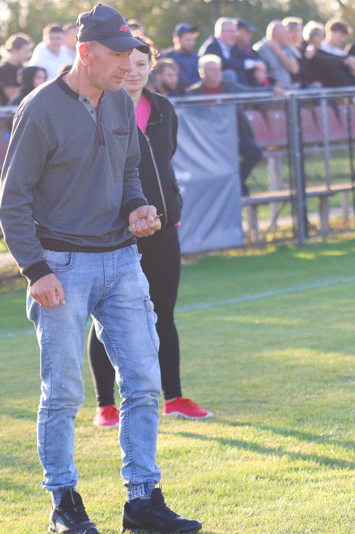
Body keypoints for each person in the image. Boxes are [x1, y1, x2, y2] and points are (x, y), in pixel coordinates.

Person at [0, 4, 201, 534]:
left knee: (143, 381)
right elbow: (11, 201)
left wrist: (136, 206)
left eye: (131, 54)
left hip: (122, 261)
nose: (127, 64)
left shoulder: (118, 102)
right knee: (63, 391)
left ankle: (143, 499)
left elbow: (130, 168)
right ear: (86, 54)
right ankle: (64, 500)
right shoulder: (40, 109)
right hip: (62, 267)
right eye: (117, 54)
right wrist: (35, 269)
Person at [89, 33, 210, 429]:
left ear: (150, 67)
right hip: (116, 234)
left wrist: (167, 205)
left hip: (163, 227)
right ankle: (106, 405)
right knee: (106, 318)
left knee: (163, 314)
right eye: (127, 63)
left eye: (142, 64)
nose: (134, 71)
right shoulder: (97, 109)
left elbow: (165, 159)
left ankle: (173, 397)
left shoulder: (162, 108)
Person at [186, 54, 263, 196]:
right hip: (208, 140)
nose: (217, 73)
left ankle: (237, 183)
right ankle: (226, 188)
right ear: (202, 73)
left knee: (254, 152)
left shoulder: (229, 87)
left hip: (233, 134)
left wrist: (272, 90)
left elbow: (251, 94)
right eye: (212, 70)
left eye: (218, 69)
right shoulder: (193, 94)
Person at [200, 17, 267, 86]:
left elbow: (248, 57)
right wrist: (253, 64)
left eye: (235, 32)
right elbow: (225, 63)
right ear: (220, 32)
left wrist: (259, 67)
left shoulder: (232, 47)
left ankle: (253, 93)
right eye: (231, 31)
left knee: (250, 71)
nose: (235, 35)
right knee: (230, 73)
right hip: (215, 86)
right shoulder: (211, 47)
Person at [304, 19, 355, 88]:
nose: (343, 39)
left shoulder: (341, 53)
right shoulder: (317, 48)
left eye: (344, 37)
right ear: (332, 32)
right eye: (341, 35)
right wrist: (345, 61)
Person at [254, 20, 301, 89]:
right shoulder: (262, 49)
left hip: (287, 91)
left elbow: (294, 69)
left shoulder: (286, 47)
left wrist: (279, 52)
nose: (289, 36)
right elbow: (261, 74)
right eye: (286, 34)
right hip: (272, 92)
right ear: (276, 35)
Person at [0, 33, 34, 105]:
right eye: (26, 52)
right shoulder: (4, 69)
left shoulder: (23, 67)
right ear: (14, 50)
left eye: (30, 52)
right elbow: (11, 95)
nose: (29, 55)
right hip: (8, 111)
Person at [163, 23, 200, 91]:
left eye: (193, 40)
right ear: (177, 39)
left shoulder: (196, 57)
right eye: (188, 40)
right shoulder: (168, 57)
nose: (191, 43)